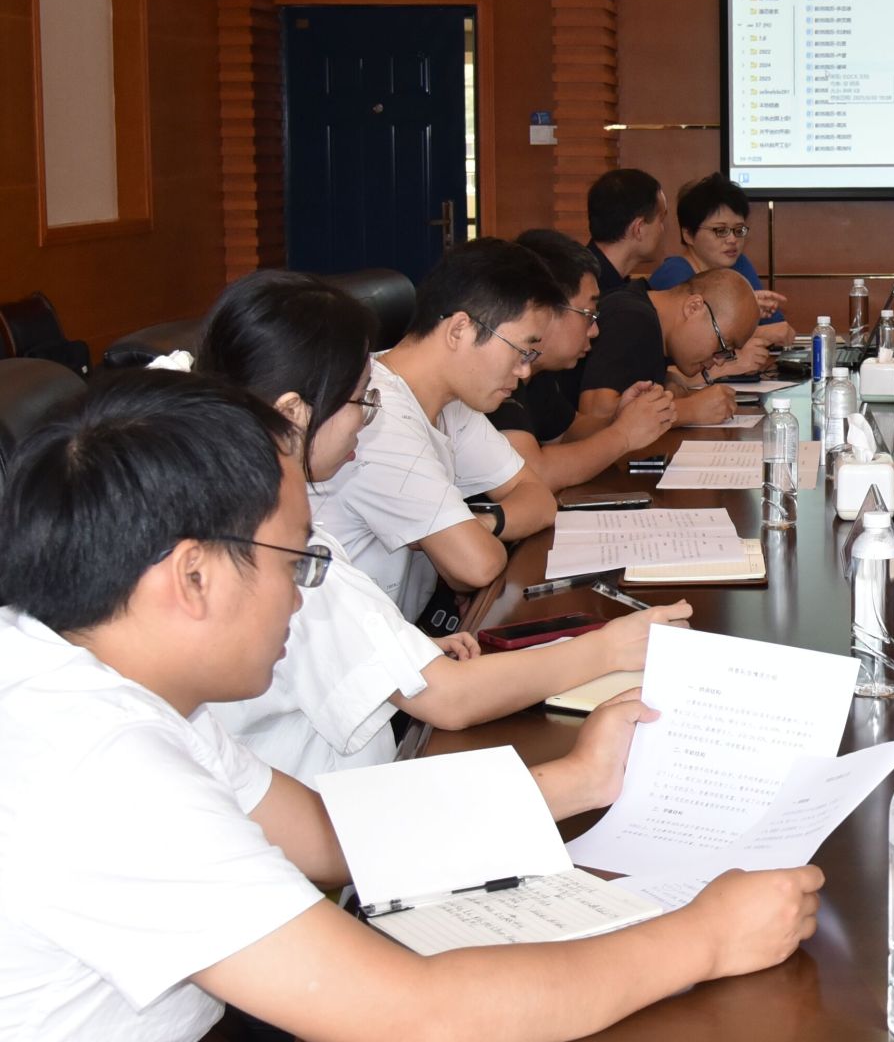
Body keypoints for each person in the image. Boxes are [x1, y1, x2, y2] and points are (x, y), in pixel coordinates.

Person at [0, 371, 822, 1042]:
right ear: (192, 576)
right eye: (295, 557)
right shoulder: (96, 763)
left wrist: (579, 777)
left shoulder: (94, 676)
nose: (304, 590)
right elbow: (413, 1014)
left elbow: (328, 836)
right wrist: (706, 937)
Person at [193, 269, 691, 781]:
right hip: (344, 794)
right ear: (293, 414)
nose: (367, 419)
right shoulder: (284, 557)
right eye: (361, 401)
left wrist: (400, 647)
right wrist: (608, 648)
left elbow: (532, 499)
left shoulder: (259, 521)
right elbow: (449, 698)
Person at [310, 238, 560, 623]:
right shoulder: (376, 414)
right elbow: (475, 566)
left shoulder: (451, 402)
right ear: (460, 329)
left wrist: (481, 523)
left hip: (398, 638)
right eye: (521, 350)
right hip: (344, 648)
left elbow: (539, 498)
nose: (525, 370)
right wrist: (466, 539)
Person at [497, 229, 677, 492]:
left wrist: (619, 417)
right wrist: (623, 435)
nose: (595, 331)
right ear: (542, 308)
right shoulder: (498, 374)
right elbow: (534, 474)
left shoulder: (538, 372)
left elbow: (567, 432)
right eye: (588, 315)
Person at [578, 268, 768, 430]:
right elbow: (596, 414)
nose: (719, 361)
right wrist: (689, 410)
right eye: (722, 345)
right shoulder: (632, 318)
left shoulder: (649, 314)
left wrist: (667, 378)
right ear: (694, 307)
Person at [650, 173, 796, 353]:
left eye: (738, 230)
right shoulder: (673, 274)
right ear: (688, 235)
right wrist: (761, 333)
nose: (732, 240)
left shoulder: (739, 265)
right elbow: (691, 343)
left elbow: (778, 329)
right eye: (721, 230)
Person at [586, 167, 670, 295]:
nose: (663, 230)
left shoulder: (613, 283)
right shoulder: (582, 289)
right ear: (639, 229)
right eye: (661, 220)